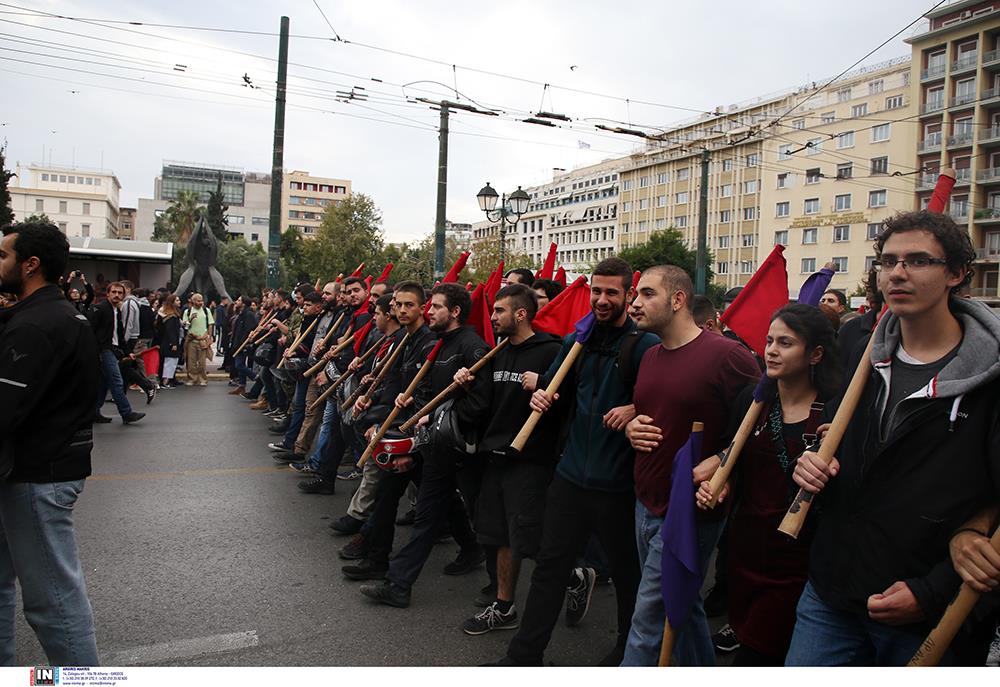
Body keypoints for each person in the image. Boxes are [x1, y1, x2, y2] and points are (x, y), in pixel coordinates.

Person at [786, 209, 1000, 666]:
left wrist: (934, 590)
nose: (897, 273)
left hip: (926, 615)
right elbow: (848, 451)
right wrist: (815, 463)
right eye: (888, 261)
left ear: (957, 274)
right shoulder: (861, 355)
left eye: (918, 260)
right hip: (830, 596)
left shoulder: (991, 380)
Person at [490, 257, 659, 667]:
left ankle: (626, 651)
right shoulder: (575, 343)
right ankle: (523, 658)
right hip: (570, 477)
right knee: (549, 569)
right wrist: (543, 395)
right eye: (596, 292)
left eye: (611, 293)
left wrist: (635, 407)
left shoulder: (645, 347)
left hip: (618, 483)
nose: (602, 300)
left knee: (626, 576)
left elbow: (665, 401)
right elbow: (553, 388)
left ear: (627, 295)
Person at [621, 265, 759, 666]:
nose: (635, 304)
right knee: (682, 606)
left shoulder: (727, 356)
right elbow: (650, 415)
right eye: (636, 295)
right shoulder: (649, 356)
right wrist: (632, 427)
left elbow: (763, 423)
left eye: (647, 294)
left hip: (690, 511)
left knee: (649, 619)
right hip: (646, 502)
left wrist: (721, 461)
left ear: (678, 299)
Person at [696, 304, 841, 665]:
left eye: (786, 343)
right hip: (746, 550)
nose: (772, 350)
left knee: (762, 655)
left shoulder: (836, 412)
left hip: (801, 563)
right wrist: (721, 485)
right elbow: (734, 461)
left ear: (816, 354)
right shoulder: (753, 401)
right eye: (769, 340)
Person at [0, 221, 101, 665]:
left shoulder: (39, 324)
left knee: (53, 604)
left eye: (4, 256)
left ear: (30, 265)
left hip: (38, 475)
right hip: (31, 471)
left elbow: (6, 408)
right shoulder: (48, 315)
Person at [357, 282, 489, 607]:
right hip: (436, 449)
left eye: (436, 307)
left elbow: (483, 403)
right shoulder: (441, 345)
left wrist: (445, 417)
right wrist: (415, 405)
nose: (429, 312)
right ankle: (398, 583)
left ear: (455, 311)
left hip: (463, 451)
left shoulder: (472, 348)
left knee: (487, 520)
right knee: (428, 517)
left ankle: (502, 587)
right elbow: (429, 394)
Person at [451, 283, 563, 634]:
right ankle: (504, 606)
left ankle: (572, 573)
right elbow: (487, 403)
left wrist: (545, 383)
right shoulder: (496, 352)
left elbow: (568, 402)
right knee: (500, 535)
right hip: (494, 454)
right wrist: (469, 384)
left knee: (525, 535)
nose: (493, 317)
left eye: (499, 311)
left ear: (520, 314)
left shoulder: (551, 352)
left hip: (530, 456)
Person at [89, 282, 144, 424]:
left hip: (111, 349)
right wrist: (97, 350)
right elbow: (90, 330)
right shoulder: (100, 309)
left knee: (104, 383)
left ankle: (94, 412)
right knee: (116, 381)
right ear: (108, 293)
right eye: (114, 292)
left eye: (120, 293)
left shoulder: (116, 310)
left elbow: (119, 334)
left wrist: (127, 352)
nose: (116, 295)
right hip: (103, 350)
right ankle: (126, 413)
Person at [182, 292, 214, 386]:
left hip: (203, 340)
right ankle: (192, 378)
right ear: (193, 301)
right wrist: (190, 320)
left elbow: (210, 324)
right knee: (191, 361)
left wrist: (209, 337)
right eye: (198, 300)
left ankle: (203, 379)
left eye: (201, 300)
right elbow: (185, 326)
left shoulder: (206, 310)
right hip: (191, 339)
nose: (201, 302)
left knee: (202, 362)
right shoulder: (187, 312)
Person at [158, 294, 183, 389]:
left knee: (170, 362)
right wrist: (174, 343)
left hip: (169, 341)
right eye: (177, 300)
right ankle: (165, 382)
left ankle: (166, 381)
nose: (179, 302)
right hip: (170, 342)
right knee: (170, 362)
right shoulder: (171, 316)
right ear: (172, 303)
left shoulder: (170, 314)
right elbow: (171, 330)